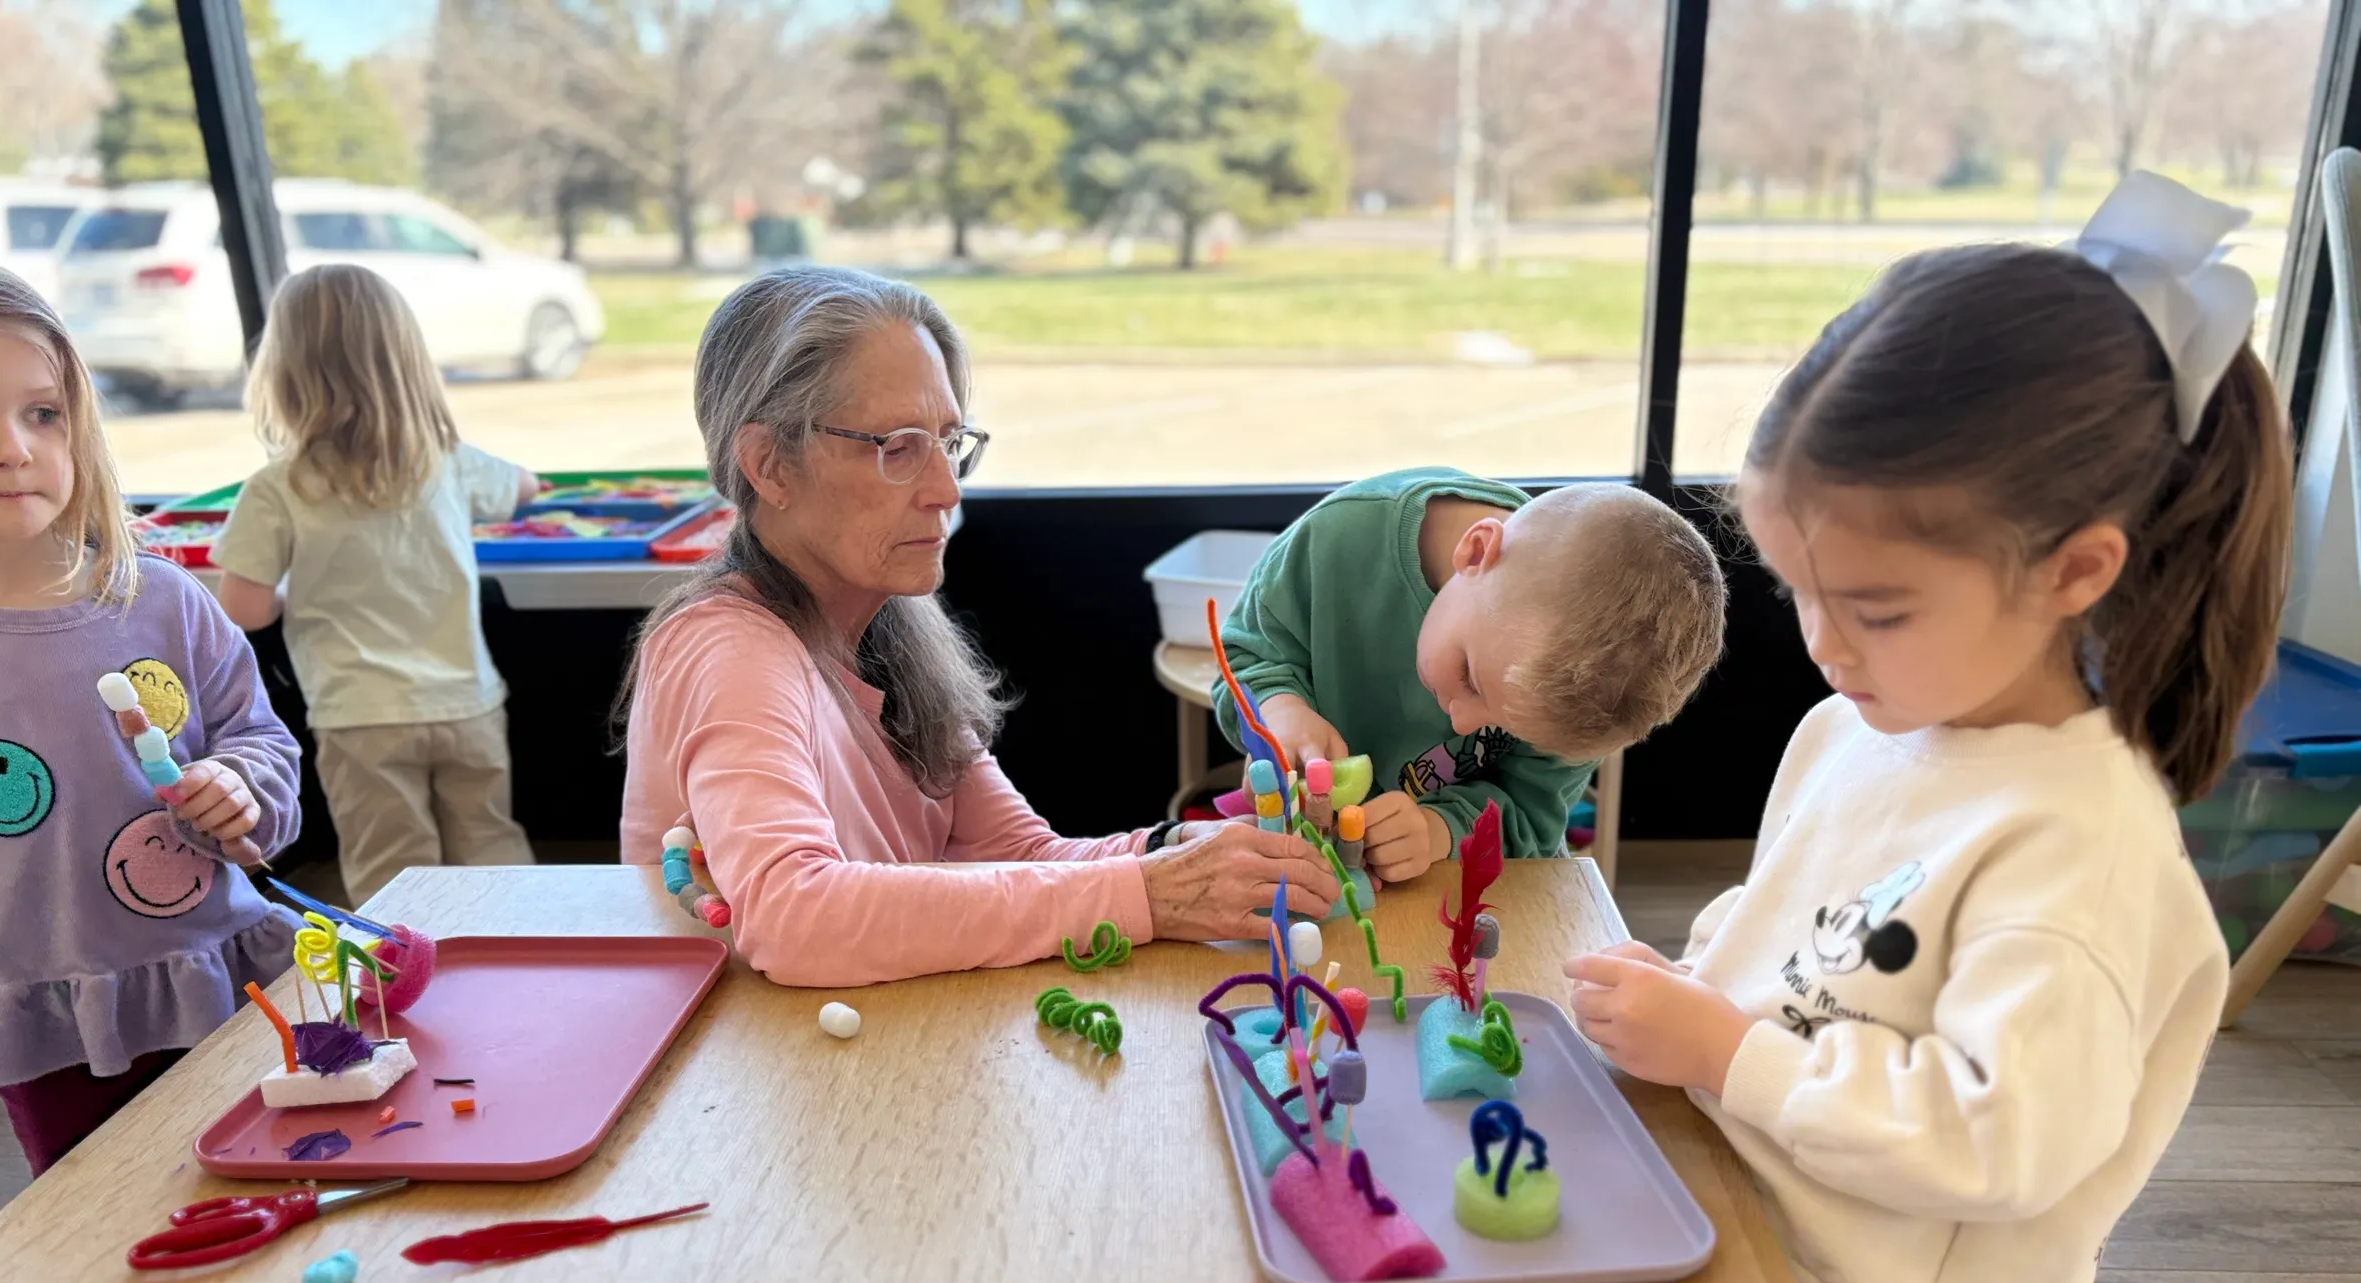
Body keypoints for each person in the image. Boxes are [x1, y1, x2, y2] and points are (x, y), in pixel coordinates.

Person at [1562, 172, 2291, 1283]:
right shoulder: (1856, 724)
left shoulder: (2080, 845)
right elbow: (1779, 943)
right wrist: (1685, 1011)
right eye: (1799, 589)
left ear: (2076, 571)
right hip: (1763, 1267)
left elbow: (1998, 1140)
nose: (1822, 643)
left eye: (1874, 605)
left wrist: (1727, 1051)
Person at [618, 266, 1340, 987]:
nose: (945, 491)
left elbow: (1021, 859)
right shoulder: (728, 645)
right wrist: (1149, 892)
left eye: (948, 441)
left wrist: (1181, 850)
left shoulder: (886, 623)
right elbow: (793, 917)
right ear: (769, 465)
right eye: (896, 448)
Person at [0, 263, 299, 1179]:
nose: (13, 449)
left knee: (272, 1185)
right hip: (44, 1021)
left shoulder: (164, 602)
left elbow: (259, 741)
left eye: (43, 413)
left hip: (221, 979)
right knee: (94, 1231)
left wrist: (241, 788)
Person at [1212, 469, 1724, 878]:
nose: (1461, 723)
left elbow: (1530, 818)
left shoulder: (1592, 688)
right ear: (1476, 551)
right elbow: (1244, 654)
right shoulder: (1339, 538)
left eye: (1504, 723)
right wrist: (1279, 709)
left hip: (1438, 891)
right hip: (1293, 861)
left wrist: (1439, 830)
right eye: (1472, 680)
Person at [215, 263, 537, 907]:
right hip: (466, 702)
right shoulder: (446, 459)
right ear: (407, 363)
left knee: (393, 870)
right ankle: (524, 953)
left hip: (359, 716)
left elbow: (242, 609)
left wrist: (293, 595)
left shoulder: (279, 487)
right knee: (490, 844)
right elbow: (527, 486)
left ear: (284, 371)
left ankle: (406, 989)